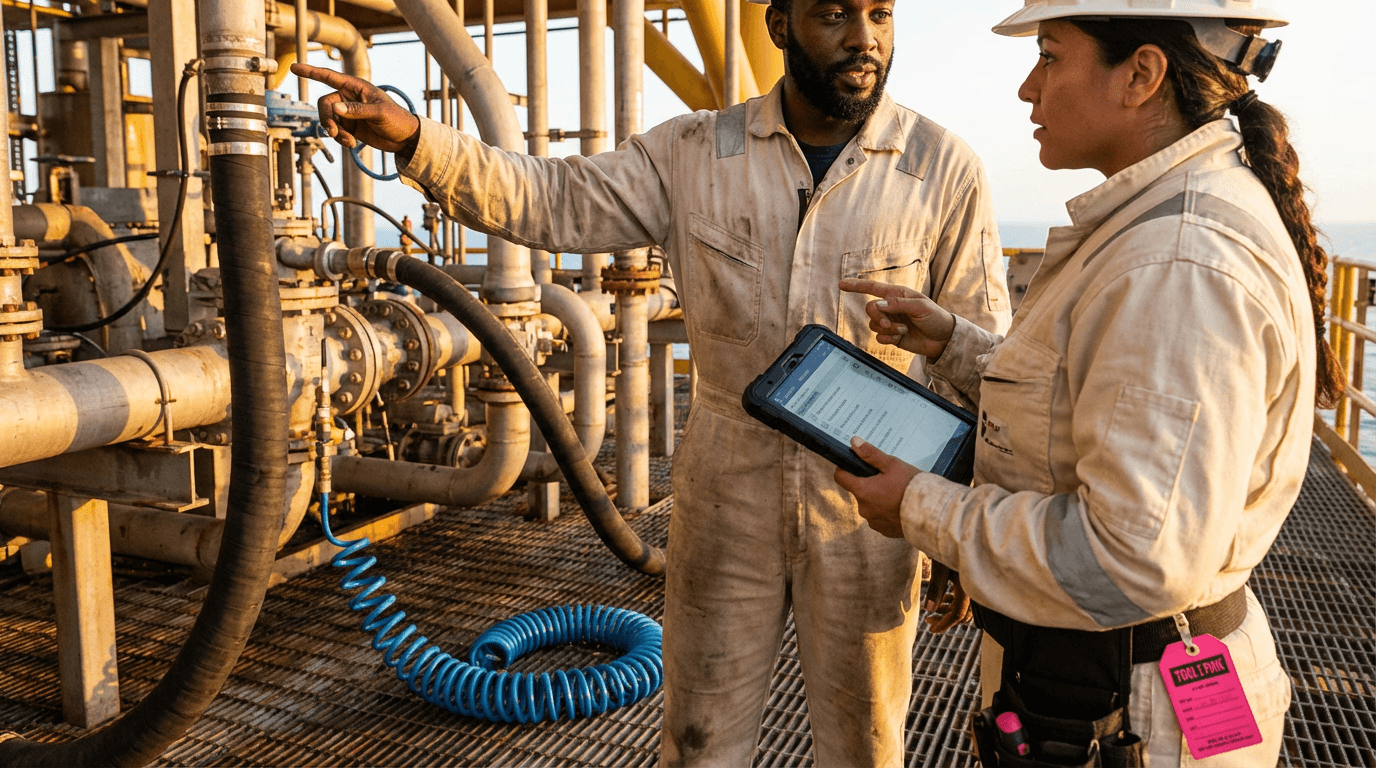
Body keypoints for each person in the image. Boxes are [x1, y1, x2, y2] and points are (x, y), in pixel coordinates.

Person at [296, 0, 1012, 762]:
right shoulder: (696, 153)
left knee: (867, 746)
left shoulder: (942, 170)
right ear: (778, 25)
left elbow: (982, 365)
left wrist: (954, 521)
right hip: (726, 499)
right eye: (834, 13)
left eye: (880, 14)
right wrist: (419, 141)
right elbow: (554, 199)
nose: (864, 38)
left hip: (869, 509)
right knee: (699, 742)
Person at [836, 1, 1328, 765]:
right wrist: (956, 344)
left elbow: (1131, 560)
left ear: (1140, 75)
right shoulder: (1162, 223)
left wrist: (919, 507)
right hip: (1106, 684)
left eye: (1050, 55)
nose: (1028, 88)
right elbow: (1084, 398)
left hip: (1128, 709)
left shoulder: (1176, 263)